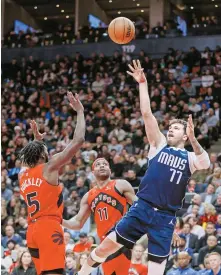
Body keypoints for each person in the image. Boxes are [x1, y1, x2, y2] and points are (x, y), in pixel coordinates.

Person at [76, 60, 211, 275]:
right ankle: (81, 273)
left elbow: (206, 164)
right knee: (105, 247)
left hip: (165, 218)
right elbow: (147, 113)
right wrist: (142, 84)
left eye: (176, 128)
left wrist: (195, 141)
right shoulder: (158, 145)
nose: (170, 130)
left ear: (186, 135)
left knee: (156, 272)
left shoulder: (190, 156)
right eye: (170, 127)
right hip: (142, 208)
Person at [18, 92, 85, 275]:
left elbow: (27, 159)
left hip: (31, 231)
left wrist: (36, 141)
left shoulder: (22, 175)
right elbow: (78, 141)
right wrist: (80, 111)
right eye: (45, 148)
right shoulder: (49, 167)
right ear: (43, 155)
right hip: (49, 227)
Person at [63, 157, 136, 275]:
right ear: (92, 173)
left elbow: (140, 207)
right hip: (103, 243)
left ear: (110, 170)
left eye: (105, 164)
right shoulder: (88, 195)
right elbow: (77, 223)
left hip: (120, 239)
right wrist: (58, 220)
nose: (102, 166)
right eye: (98, 165)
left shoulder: (120, 184)